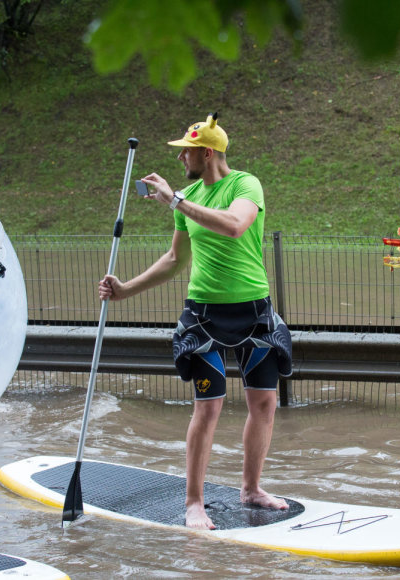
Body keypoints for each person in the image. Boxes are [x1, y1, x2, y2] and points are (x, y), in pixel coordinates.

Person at [97, 112, 292, 530]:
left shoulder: (244, 184)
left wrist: (176, 201)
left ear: (206, 152)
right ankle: (193, 503)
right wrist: (125, 289)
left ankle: (251, 488)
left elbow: (237, 226)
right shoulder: (183, 198)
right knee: (209, 408)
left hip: (255, 312)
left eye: (185, 152)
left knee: (264, 404)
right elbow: (175, 260)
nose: (180, 159)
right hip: (204, 316)